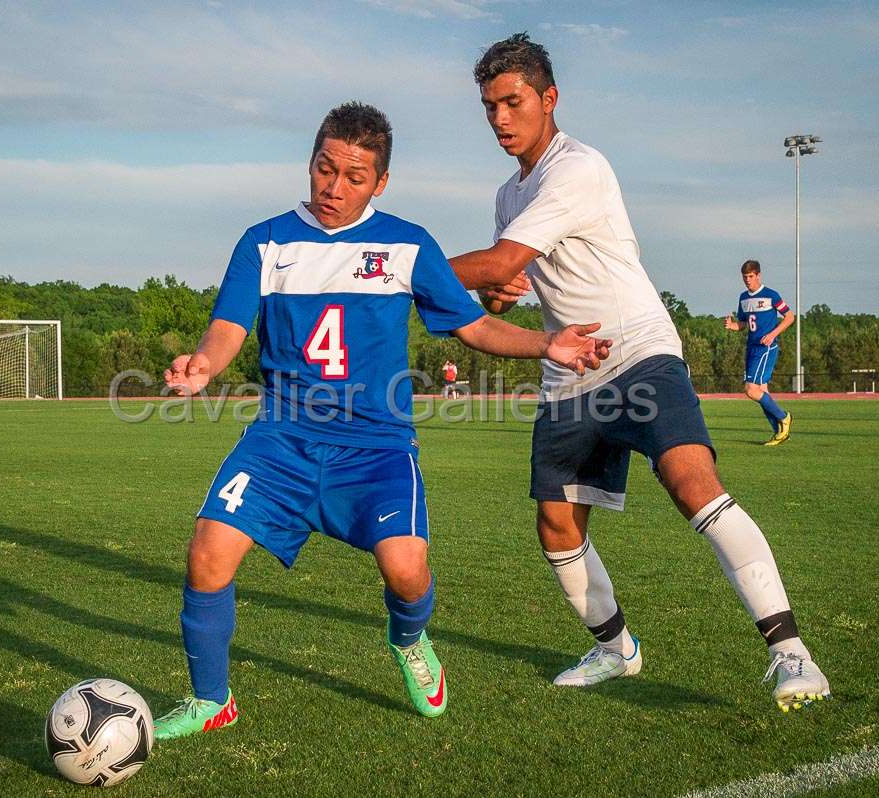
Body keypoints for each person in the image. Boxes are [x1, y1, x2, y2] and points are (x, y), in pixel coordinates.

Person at [153, 102, 612, 741]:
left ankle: (409, 638)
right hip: (281, 440)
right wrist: (203, 365)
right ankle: (211, 701)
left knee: (406, 570)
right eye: (324, 169)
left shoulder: (406, 244)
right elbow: (229, 324)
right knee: (208, 552)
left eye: (354, 176)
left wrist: (549, 343)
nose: (334, 188)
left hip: (376, 447)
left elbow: (472, 324)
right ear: (310, 163)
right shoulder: (265, 241)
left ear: (381, 182)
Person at [448, 33, 829, 711]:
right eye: (489, 107)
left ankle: (791, 654)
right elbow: (509, 278)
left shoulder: (579, 167)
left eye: (513, 102)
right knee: (557, 527)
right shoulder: (509, 195)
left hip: (638, 351)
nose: (500, 119)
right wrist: (494, 294)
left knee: (690, 479)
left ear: (549, 98)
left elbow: (504, 260)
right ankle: (615, 649)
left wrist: (400, 271)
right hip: (570, 371)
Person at [723, 260, 794, 445]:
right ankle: (779, 432)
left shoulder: (771, 295)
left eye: (751, 276)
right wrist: (733, 326)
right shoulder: (743, 298)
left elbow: (790, 316)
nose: (747, 280)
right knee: (762, 390)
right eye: (745, 277)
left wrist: (773, 334)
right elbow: (744, 323)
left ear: (758, 275)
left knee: (750, 389)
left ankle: (784, 417)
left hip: (766, 347)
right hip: (751, 347)